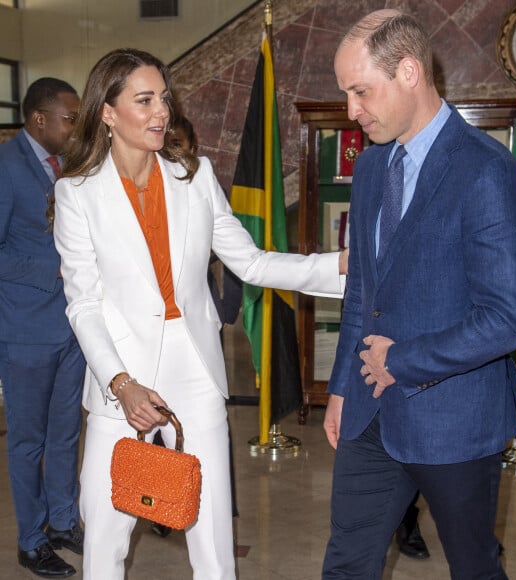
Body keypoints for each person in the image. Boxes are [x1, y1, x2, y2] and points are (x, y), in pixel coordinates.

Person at [52, 48, 346, 580]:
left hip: (195, 366)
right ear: (108, 113)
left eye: (163, 98)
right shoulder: (77, 194)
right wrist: (121, 384)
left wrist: (345, 269)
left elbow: (252, 263)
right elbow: (85, 303)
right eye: (144, 101)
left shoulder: (195, 176)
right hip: (122, 377)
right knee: (104, 534)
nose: (161, 112)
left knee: (211, 534)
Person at [322, 10, 516, 580]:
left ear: (410, 72)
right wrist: (343, 387)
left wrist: (403, 360)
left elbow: (508, 319)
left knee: (473, 566)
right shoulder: (370, 168)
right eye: (346, 93)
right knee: (346, 562)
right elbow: (363, 291)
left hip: (455, 419)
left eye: (361, 91)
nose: (351, 111)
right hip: (369, 412)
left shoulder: (485, 170)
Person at [0, 78, 85, 578]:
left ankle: (62, 520)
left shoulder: (68, 166)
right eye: (69, 119)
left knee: (66, 434)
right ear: (39, 119)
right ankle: (31, 541)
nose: (75, 128)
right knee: (27, 442)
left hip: (71, 327)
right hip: (27, 331)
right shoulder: (6, 168)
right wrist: (52, 268)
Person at [150, 113, 242, 539]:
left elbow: (244, 259)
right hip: (129, 368)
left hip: (195, 348)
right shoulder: (86, 188)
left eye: (184, 143)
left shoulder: (200, 179)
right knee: (110, 526)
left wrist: (339, 267)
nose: (176, 150)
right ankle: (156, 505)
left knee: (210, 507)